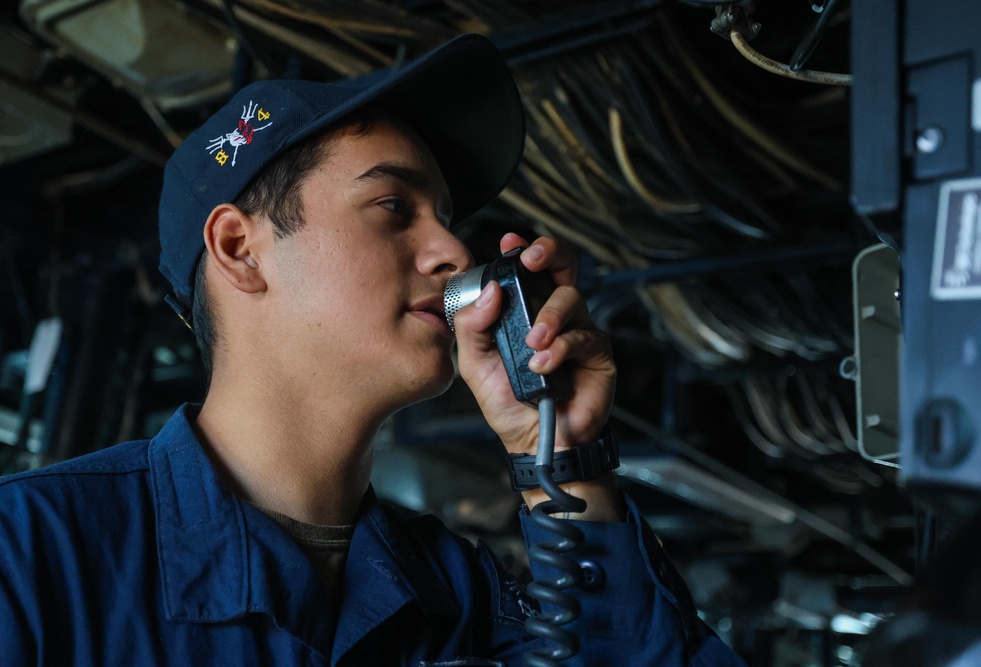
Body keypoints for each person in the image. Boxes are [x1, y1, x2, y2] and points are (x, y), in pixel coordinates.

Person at [0, 34, 745, 666]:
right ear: (240, 250)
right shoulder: (31, 556)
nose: (454, 249)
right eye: (394, 206)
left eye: (447, 217)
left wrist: (565, 454)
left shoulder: (460, 596)